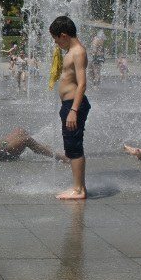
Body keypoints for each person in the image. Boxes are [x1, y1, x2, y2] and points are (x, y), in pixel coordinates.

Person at [50, 16, 90, 200]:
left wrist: (73, 110)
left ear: (64, 35)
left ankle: (79, 190)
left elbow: (82, 84)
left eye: (56, 38)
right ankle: (78, 187)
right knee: (72, 145)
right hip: (69, 104)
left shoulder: (78, 52)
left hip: (74, 104)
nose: (56, 43)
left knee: (74, 146)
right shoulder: (71, 51)